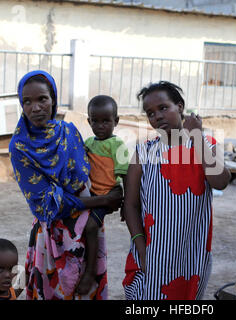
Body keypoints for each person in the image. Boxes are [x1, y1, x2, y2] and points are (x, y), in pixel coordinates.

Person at [9, 70, 123, 300]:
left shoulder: (69, 132)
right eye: (27, 101)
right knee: (55, 290)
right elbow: (46, 203)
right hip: (52, 233)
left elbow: (89, 176)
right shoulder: (19, 147)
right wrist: (103, 200)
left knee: (87, 291)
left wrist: (112, 193)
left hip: (88, 227)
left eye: (42, 98)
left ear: (53, 99)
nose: (36, 107)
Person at [122, 81, 231, 300]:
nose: (157, 117)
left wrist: (197, 137)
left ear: (180, 107)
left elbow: (221, 181)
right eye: (150, 113)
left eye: (163, 108)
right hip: (153, 254)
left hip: (192, 255)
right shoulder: (143, 152)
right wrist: (141, 248)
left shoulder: (204, 144)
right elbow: (131, 205)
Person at [77, 95, 129, 293]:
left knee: (91, 227)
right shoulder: (89, 142)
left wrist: (126, 205)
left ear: (116, 121)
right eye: (95, 121)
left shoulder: (118, 146)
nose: (100, 126)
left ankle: (90, 273)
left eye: (106, 121)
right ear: (89, 121)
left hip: (106, 196)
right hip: (90, 195)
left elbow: (125, 176)